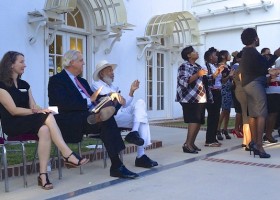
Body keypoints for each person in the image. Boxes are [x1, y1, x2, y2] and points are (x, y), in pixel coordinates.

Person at [0, 51, 89, 190]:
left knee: (45, 129)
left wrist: (44, 109)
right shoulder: (2, 86)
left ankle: (43, 175)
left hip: (28, 121)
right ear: (11, 64)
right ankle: (67, 154)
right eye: (21, 62)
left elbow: (34, 106)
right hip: (12, 124)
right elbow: (13, 110)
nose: (25, 65)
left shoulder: (25, 85)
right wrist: (38, 112)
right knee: (47, 117)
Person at [48, 50, 139, 178]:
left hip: (89, 114)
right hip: (71, 118)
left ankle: (103, 113)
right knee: (106, 120)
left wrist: (105, 99)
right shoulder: (56, 80)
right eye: (80, 60)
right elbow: (63, 104)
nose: (83, 63)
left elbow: (94, 99)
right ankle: (117, 166)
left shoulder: (82, 81)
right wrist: (88, 101)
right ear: (71, 62)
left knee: (109, 110)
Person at [91, 60, 158, 168]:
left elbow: (124, 104)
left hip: (120, 112)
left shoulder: (113, 86)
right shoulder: (96, 85)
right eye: (109, 70)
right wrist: (115, 95)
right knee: (142, 119)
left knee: (140, 103)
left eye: (112, 70)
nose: (113, 73)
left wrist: (131, 91)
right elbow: (107, 100)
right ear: (102, 73)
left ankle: (134, 132)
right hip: (110, 117)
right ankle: (141, 156)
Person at [239, 28, 280, 158]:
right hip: (255, 85)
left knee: (253, 114)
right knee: (262, 114)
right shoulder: (252, 52)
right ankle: (259, 146)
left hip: (249, 85)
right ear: (255, 38)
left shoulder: (246, 52)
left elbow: (259, 69)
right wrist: (275, 55)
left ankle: (253, 142)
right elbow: (264, 67)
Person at [175, 46, 212, 153]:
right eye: (194, 51)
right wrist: (197, 74)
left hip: (200, 98)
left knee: (199, 121)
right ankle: (187, 144)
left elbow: (205, 79)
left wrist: (215, 74)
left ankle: (191, 143)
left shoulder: (198, 66)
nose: (197, 52)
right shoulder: (183, 66)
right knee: (193, 120)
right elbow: (184, 81)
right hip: (189, 98)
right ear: (189, 55)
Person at [203, 47, 224, 147]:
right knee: (212, 116)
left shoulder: (214, 66)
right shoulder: (206, 66)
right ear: (210, 57)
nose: (217, 57)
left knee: (216, 116)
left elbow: (220, 80)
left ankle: (213, 138)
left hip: (218, 92)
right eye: (215, 55)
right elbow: (208, 79)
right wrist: (218, 71)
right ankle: (209, 140)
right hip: (211, 93)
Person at [232, 51, 252, 150]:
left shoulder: (240, 67)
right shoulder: (242, 68)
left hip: (241, 91)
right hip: (243, 91)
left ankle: (246, 141)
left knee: (246, 116)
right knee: (247, 117)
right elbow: (244, 80)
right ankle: (248, 141)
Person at [216, 50, 234, 140]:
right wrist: (230, 76)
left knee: (227, 111)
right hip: (223, 90)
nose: (230, 56)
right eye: (228, 54)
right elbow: (222, 80)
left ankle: (225, 129)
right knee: (224, 110)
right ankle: (218, 129)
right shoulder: (220, 66)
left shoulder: (228, 66)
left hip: (229, 89)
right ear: (223, 56)